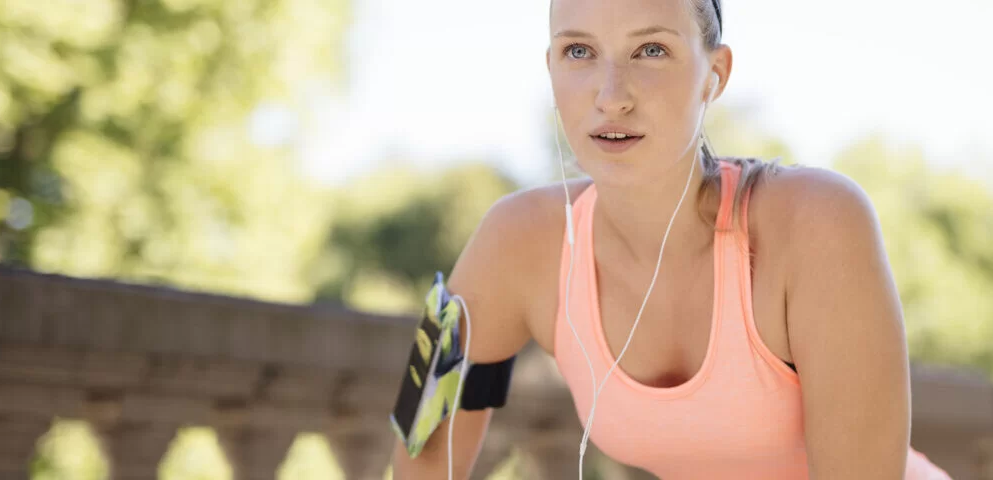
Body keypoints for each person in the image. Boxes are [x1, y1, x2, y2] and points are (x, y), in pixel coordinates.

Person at [393, 0, 951, 478]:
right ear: (551, 68)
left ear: (715, 74)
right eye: (579, 52)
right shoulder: (516, 243)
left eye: (651, 50)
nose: (611, 96)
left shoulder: (819, 225)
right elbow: (419, 447)